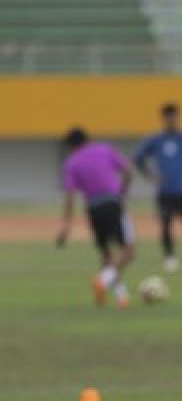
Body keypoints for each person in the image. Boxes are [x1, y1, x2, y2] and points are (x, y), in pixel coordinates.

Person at [56, 127, 136, 309]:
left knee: (106, 254)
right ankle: (103, 280)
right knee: (129, 250)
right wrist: (123, 191)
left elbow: (70, 196)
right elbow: (128, 170)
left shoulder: (71, 162)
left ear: (71, 146)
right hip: (113, 204)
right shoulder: (104, 149)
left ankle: (121, 298)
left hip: (93, 209)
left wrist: (66, 225)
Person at [133, 103, 182, 273]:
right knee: (165, 225)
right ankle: (170, 258)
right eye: (168, 116)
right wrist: (150, 175)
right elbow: (137, 159)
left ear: (178, 117)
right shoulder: (155, 140)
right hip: (165, 191)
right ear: (163, 118)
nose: (172, 120)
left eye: (174, 116)